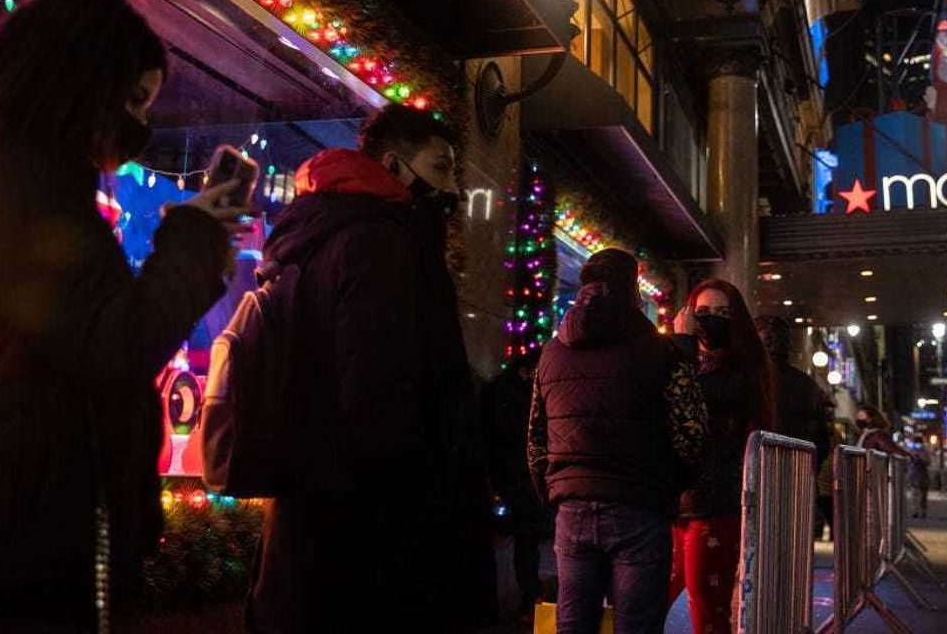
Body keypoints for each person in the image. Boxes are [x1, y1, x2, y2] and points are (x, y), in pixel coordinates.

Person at [0, 0, 245, 631]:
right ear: (84, 80)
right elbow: (114, 343)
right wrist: (194, 236)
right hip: (28, 544)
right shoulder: (27, 187)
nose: (140, 126)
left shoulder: (29, 177)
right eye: (134, 99)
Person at [246, 105, 496, 632]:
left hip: (311, 519)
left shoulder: (315, 235)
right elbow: (381, 395)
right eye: (440, 167)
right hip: (372, 534)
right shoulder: (383, 244)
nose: (450, 188)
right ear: (394, 165)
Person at [527, 249, 707, 634]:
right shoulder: (663, 351)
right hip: (640, 506)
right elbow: (690, 434)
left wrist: (556, 492)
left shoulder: (552, 352)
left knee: (573, 623)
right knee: (636, 624)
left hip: (571, 508)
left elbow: (535, 441)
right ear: (631, 291)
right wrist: (672, 486)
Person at [671, 279, 775, 634]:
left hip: (715, 503)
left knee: (708, 610)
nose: (711, 320)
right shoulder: (682, 356)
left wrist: (682, 345)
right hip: (671, 500)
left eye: (722, 312)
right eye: (702, 312)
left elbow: (688, 397)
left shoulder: (742, 367)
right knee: (646, 599)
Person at [481, 348, 546, 623]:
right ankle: (528, 598)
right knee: (525, 540)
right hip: (520, 476)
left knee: (522, 540)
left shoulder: (500, 389)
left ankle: (524, 598)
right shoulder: (517, 392)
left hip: (511, 476)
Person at [754, 315, 832, 464]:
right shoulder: (808, 385)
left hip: (758, 473)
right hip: (798, 473)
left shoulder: (749, 379)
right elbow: (822, 442)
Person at [907, 436, 932, 519]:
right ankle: (915, 511)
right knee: (914, 494)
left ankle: (923, 510)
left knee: (923, 495)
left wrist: (921, 459)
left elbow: (928, 462)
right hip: (914, 475)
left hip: (923, 475)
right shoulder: (911, 451)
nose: (917, 445)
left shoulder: (925, 451)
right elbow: (908, 461)